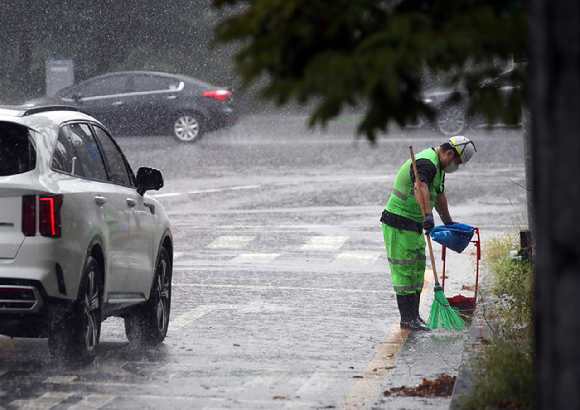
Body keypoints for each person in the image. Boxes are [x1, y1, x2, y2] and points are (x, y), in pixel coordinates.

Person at [380, 136, 477, 331]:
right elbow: (420, 187)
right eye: (456, 163)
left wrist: (448, 221)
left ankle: (414, 316)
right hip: (399, 222)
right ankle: (407, 318)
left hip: (415, 223)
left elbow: (439, 195)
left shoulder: (440, 169)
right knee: (404, 272)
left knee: (416, 272)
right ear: (449, 153)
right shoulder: (426, 163)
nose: (455, 167)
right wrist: (429, 214)